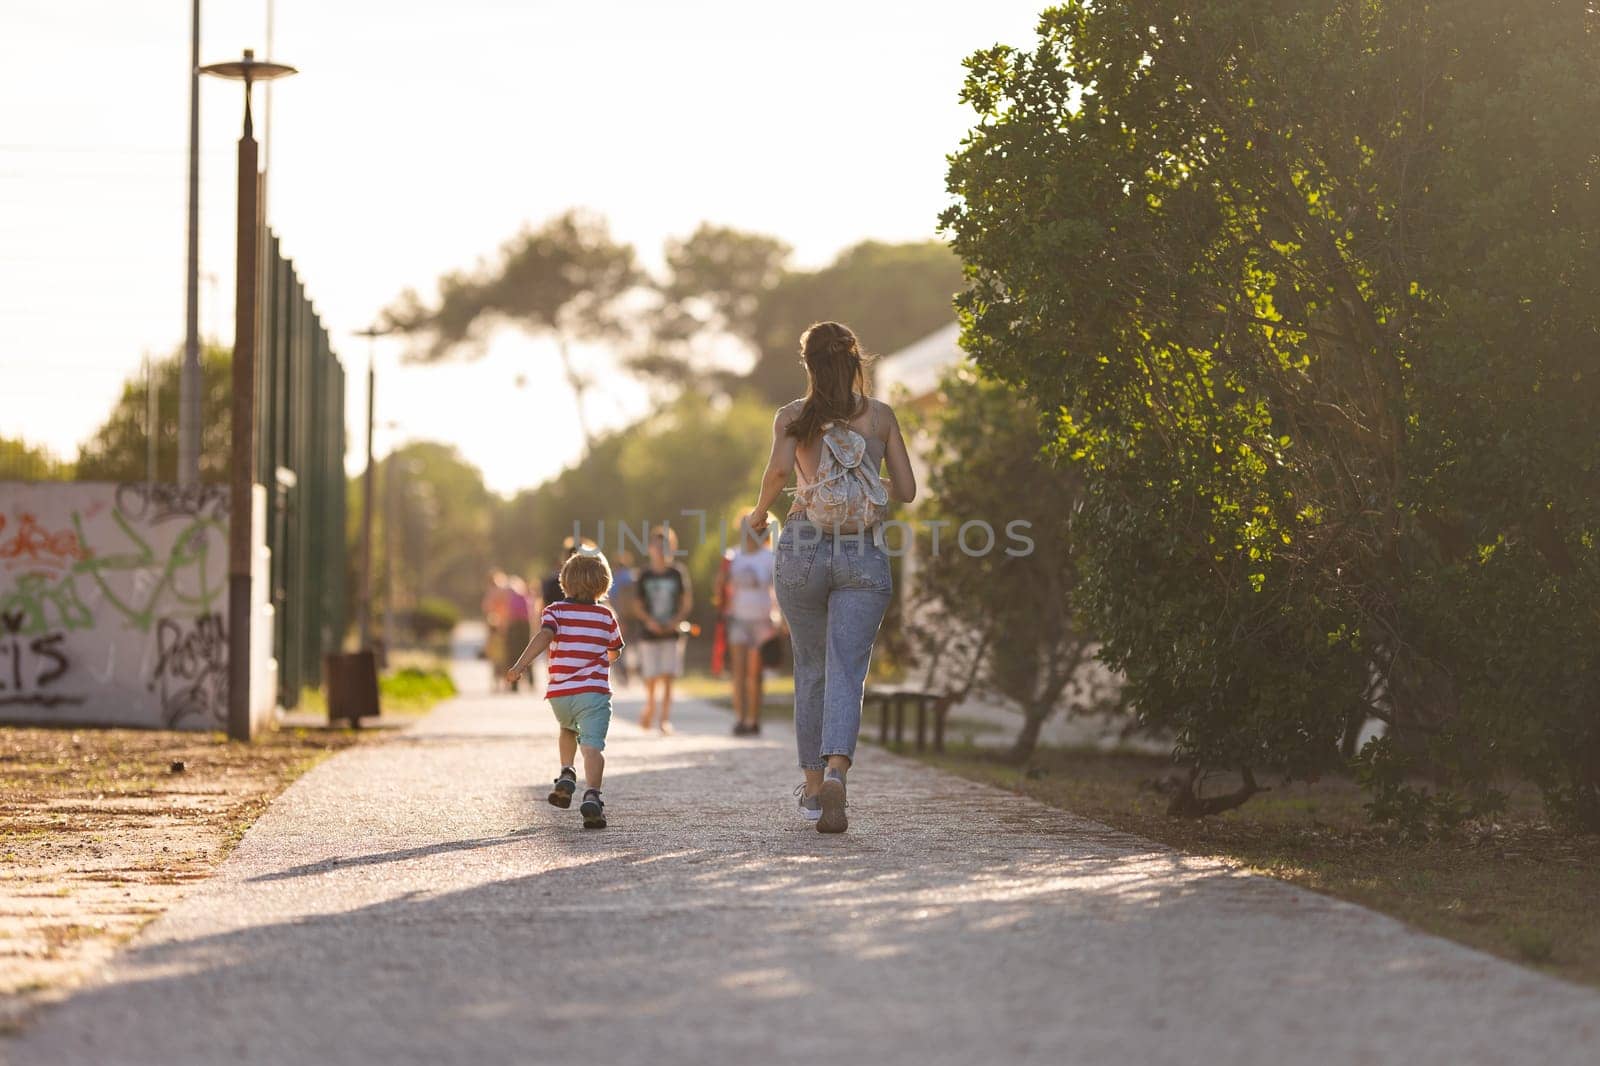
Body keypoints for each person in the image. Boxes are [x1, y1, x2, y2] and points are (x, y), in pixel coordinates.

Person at [746, 321, 916, 833]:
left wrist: (758, 513)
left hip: (802, 547)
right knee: (847, 668)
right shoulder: (881, 417)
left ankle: (815, 790)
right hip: (862, 551)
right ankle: (839, 771)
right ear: (856, 362)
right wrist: (865, 476)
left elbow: (778, 475)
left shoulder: (792, 417)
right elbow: (905, 490)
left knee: (812, 667)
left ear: (808, 365)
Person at [506, 550, 625, 829]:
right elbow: (614, 652)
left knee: (568, 728)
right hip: (593, 693)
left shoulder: (554, 612)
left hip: (561, 695)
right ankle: (593, 795)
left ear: (565, 582)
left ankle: (566, 772)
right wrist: (599, 657)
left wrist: (520, 665)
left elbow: (544, 636)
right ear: (603, 584)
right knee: (592, 748)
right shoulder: (606, 616)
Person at [632, 525, 692, 735]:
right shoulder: (644, 574)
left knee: (668, 676)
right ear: (650, 548)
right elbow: (637, 604)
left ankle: (664, 719)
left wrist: (676, 621)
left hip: (672, 632)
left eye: (665, 545)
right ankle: (650, 706)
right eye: (657, 546)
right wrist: (649, 621)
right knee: (651, 676)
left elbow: (686, 602)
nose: (661, 550)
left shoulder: (677, 573)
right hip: (649, 633)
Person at [723, 516, 779, 737]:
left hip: (761, 621)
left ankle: (753, 719)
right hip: (738, 618)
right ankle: (740, 718)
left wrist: (779, 618)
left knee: (754, 674)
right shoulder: (733, 555)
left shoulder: (769, 557)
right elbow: (723, 587)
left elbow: (778, 590)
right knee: (738, 672)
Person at [502, 576, 532, 693]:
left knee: (513, 655)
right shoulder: (524, 597)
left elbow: (508, 614)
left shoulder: (510, 597)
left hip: (514, 626)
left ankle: (514, 684)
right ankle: (530, 680)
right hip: (525, 626)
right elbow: (530, 613)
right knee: (527, 651)